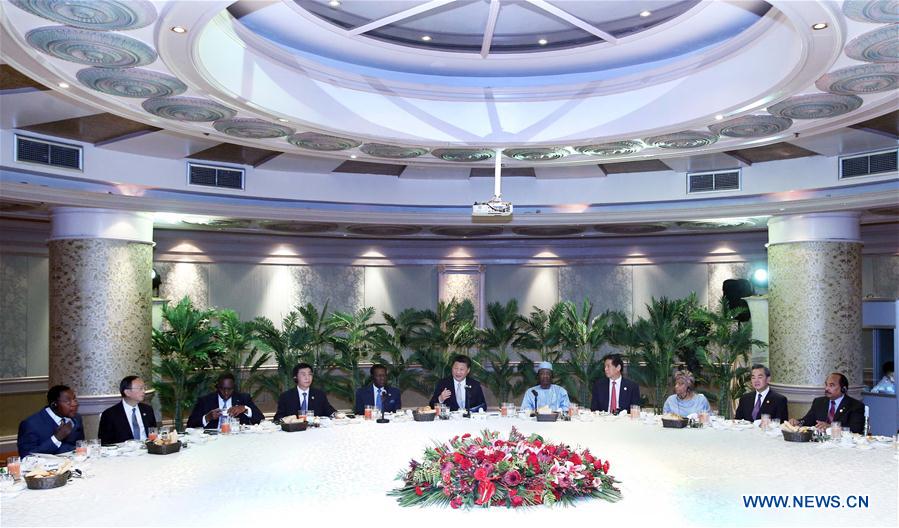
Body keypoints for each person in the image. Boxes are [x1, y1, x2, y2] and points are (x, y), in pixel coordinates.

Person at [17, 385, 84, 457]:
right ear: (54, 404)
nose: (75, 404)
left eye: (74, 399)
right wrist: (56, 438)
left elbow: (79, 446)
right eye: (68, 401)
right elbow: (26, 457)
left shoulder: (76, 418)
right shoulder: (30, 424)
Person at [790, 372, 865, 434]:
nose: (826, 388)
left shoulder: (855, 406)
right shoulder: (819, 402)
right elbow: (807, 420)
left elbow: (856, 430)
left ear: (843, 389)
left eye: (831, 385)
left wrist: (831, 427)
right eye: (826, 384)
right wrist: (798, 422)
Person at [187, 372, 264, 429]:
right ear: (217, 387)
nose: (226, 393)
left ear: (234, 387)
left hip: (238, 440)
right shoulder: (205, 400)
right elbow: (190, 424)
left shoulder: (243, 398)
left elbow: (261, 421)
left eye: (229, 389)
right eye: (222, 389)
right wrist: (207, 418)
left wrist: (246, 409)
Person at [97, 375, 158, 444]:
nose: (144, 391)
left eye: (144, 388)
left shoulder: (147, 410)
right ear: (127, 392)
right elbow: (105, 442)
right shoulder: (110, 414)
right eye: (140, 388)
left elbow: (154, 433)